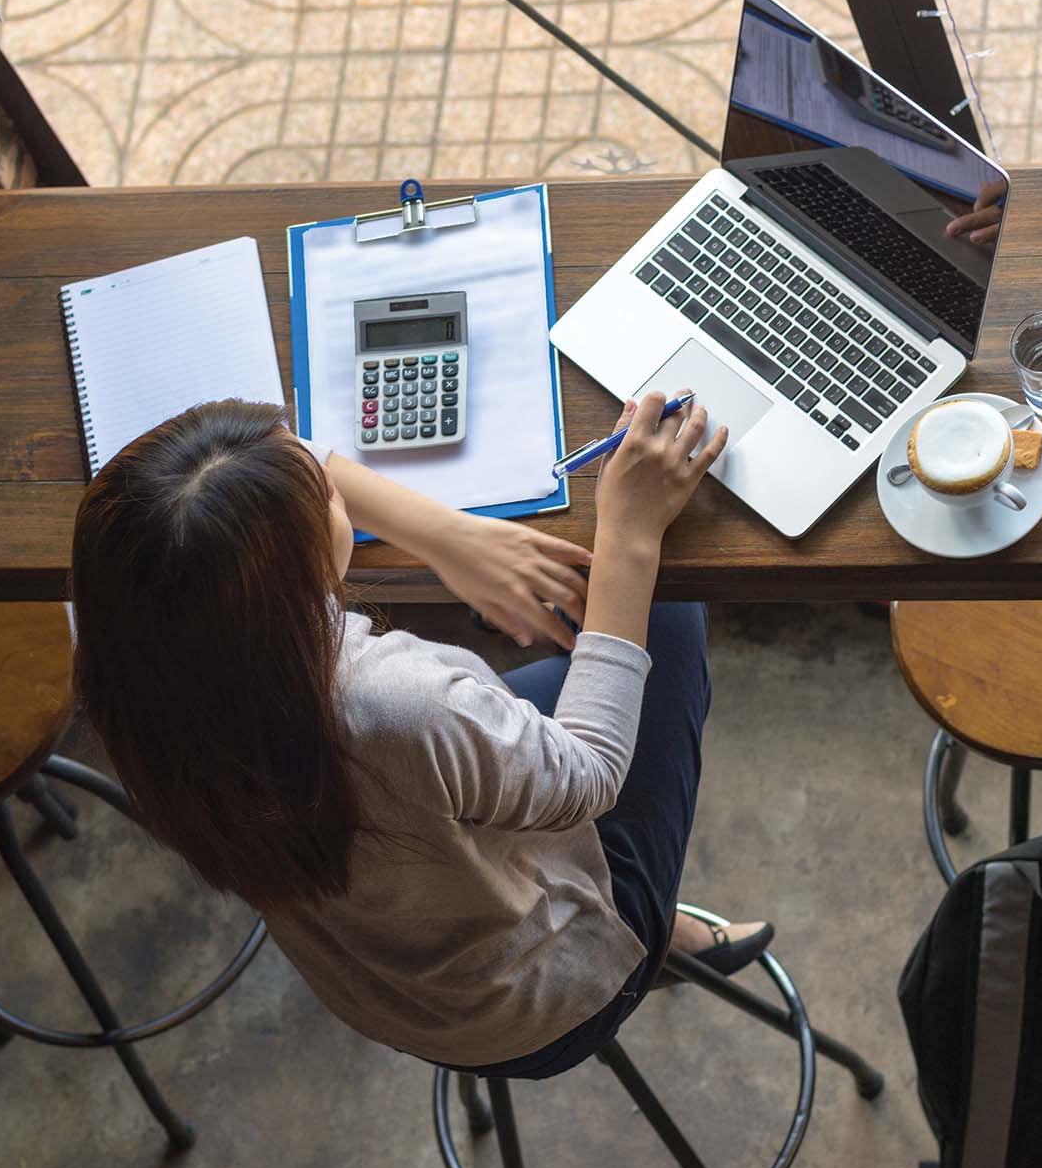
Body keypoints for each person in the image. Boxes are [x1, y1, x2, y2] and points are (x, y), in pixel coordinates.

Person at [69, 392, 771, 1078]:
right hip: (538, 1010)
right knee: (665, 608)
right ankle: (636, 935)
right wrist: (629, 532)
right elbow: (588, 775)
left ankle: (630, 917)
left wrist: (446, 536)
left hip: (386, 983)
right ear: (300, 574)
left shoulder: (142, 671)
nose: (330, 476)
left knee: (576, 671)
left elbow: (287, 471)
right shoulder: (396, 704)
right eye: (326, 498)